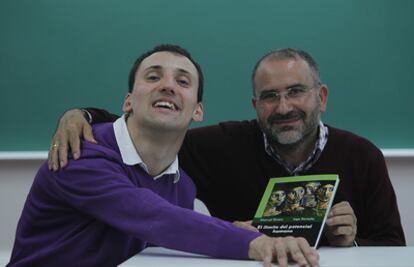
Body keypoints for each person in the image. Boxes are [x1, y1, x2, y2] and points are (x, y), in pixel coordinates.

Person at [48, 48, 406, 247]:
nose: (283, 108)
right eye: (269, 97)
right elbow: (152, 124)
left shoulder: (362, 155)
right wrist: (82, 114)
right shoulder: (216, 146)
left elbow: (395, 251)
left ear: (321, 97)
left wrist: (354, 242)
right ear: (255, 105)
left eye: (296, 92)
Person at [8, 45, 319, 267]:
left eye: (183, 81)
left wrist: (231, 230)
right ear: (128, 101)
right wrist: (258, 244)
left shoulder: (182, 185)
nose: (168, 86)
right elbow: (154, 217)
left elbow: (164, 234)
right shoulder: (78, 152)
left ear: (197, 110)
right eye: (153, 77)